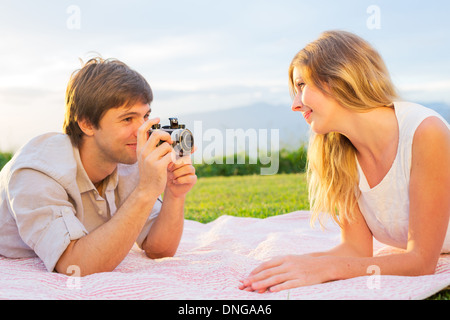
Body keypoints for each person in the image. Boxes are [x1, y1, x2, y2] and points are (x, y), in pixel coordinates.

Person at [240, 30, 450, 293]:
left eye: (301, 86)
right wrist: (297, 263)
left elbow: (421, 261)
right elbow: (356, 250)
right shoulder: (339, 152)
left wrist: (328, 268)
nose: (295, 105)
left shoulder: (426, 132)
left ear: (337, 79)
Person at [0, 57, 197, 276]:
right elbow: (75, 266)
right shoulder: (37, 171)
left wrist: (174, 194)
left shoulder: (127, 162)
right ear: (86, 123)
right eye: (127, 119)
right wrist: (146, 190)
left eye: (145, 117)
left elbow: (158, 249)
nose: (143, 132)